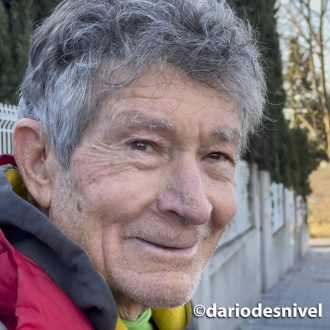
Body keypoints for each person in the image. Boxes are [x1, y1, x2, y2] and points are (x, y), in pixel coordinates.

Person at [0, 0, 266, 329]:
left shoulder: (163, 315)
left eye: (216, 155)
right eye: (143, 146)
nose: (195, 207)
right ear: (39, 161)